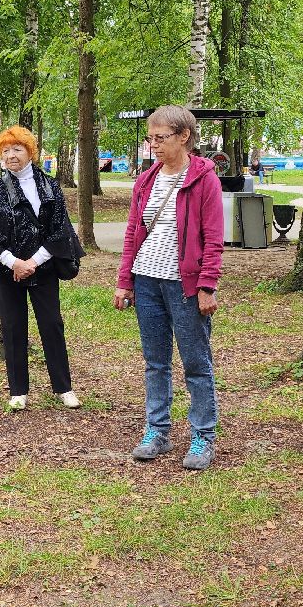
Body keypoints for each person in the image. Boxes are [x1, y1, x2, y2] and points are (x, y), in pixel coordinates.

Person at [114, 106, 224, 471]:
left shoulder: (204, 178)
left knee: (195, 362)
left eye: (160, 138)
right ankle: (157, 431)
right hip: (147, 282)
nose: (154, 145)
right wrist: (125, 281)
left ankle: (203, 436)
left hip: (185, 286)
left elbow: (213, 239)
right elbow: (133, 234)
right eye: (151, 138)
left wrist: (207, 286)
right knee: (155, 362)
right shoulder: (146, 181)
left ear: (184, 137)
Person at [0, 126, 83, 412]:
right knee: (12, 327)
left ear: (30, 153)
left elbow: (60, 230)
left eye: (17, 149)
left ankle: (64, 388)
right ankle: (18, 391)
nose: (11, 155)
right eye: (5, 150)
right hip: (8, 271)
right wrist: (15, 263)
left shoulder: (50, 186)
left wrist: (33, 262)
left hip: (42, 268)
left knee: (52, 325)